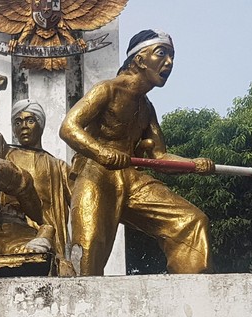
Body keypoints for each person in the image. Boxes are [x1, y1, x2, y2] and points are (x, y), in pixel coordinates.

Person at [59, 30, 214, 275]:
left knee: (189, 221)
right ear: (140, 60)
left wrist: (193, 164)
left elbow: (160, 158)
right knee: (88, 253)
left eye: (172, 56)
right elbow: (68, 128)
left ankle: (193, 296)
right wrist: (101, 152)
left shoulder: (146, 108)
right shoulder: (107, 90)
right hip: (95, 173)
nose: (169, 62)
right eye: (161, 53)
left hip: (130, 177)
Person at [0, 74, 74, 275]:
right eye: (17, 122)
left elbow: (80, 204)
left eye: (29, 120)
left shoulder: (58, 167)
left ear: (40, 124)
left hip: (47, 237)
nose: (23, 126)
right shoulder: (5, 153)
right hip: (7, 231)